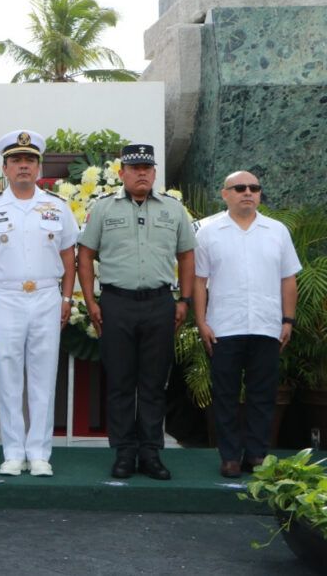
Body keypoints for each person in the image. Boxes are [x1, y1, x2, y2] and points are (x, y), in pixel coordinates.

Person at [78, 144, 196, 481]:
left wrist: (184, 300)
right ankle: (124, 453)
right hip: (117, 304)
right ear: (122, 173)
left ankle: (151, 453)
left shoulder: (173, 210)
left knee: (154, 383)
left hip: (160, 304)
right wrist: (91, 302)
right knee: (119, 381)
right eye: (134, 168)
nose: (141, 173)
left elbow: (187, 255)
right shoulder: (103, 209)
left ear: (155, 173)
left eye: (147, 167)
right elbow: (85, 255)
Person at [0, 130, 78, 477]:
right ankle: (13, 452)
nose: (23, 166)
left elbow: (70, 258)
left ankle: (40, 453)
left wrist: (65, 298)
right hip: (4, 296)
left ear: (39, 166)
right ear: (4, 168)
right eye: (16, 160)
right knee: (8, 374)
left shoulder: (57, 207)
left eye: (29, 160)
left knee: (44, 375)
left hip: (47, 295)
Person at [194, 172, 300, 478]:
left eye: (254, 188)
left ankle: (256, 454)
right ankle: (229, 457)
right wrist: (201, 322)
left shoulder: (277, 231)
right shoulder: (208, 232)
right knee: (225, 395)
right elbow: (199, 282)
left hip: (267, 326)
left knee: (263, 395)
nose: (248, 193)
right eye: (240, 188)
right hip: (224, 327)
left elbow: (288, 279)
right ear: (224, 194)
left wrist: (288, 319)